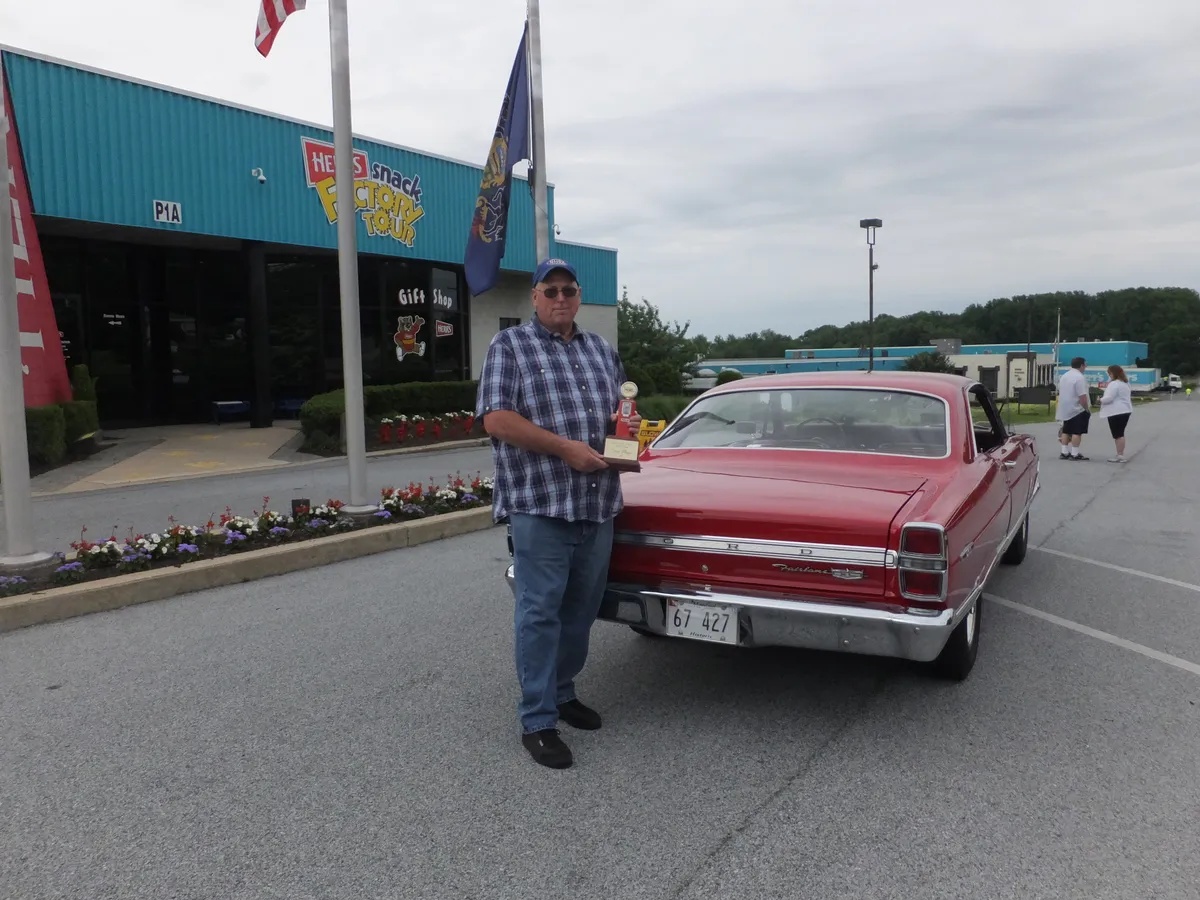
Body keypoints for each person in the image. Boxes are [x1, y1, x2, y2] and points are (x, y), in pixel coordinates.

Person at [475, 257, 639, 770]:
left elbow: (620, 415)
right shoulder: (510, 347)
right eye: (551, 290)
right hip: (541, 504)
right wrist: (564, 448)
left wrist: (626, 440)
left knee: (580, 612)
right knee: (539, 614)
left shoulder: (601, 351)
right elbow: (496, 419)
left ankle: (563, 693)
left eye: (569, 289)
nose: (561, 298)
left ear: (578, 295)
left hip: (597, 504)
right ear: (535, 297)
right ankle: (538, 720)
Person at [1056, 356, 1092, 460]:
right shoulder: (1080, 377)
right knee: (1077, 431)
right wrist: (1086, 408)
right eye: (1085, 365)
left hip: (1065, 407)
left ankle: (1064, 451)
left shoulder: (1064, 376)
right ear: (1081, 365)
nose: (1085, 367)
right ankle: (1075, 453)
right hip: (1077, 409)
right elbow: (1082, 396)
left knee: (1066, 430)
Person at [1098, 364, 1133, 463]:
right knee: (1120, 433)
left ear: (1113, 373)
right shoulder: (1125, 383)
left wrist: (1100, 400)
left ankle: (1120, 455)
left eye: (1109, 373)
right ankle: (1120, 454)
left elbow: (1109, 398)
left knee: (1117, 434)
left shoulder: (1114, 384)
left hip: (1116, 411)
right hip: (1125, 410)